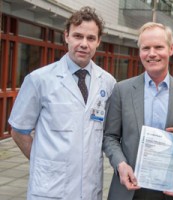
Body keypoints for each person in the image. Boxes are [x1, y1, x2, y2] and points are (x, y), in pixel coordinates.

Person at [8, 6, 116, 200]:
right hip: (50, 189)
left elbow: (110, 133)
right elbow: (18, 131)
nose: (84, 44)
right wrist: (43, 163)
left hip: (89, 189)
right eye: (77, 36)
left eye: (91, 38)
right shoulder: (39, 80)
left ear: (98, 41)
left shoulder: (108, 83)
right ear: (66, 36)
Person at [103, 22, 173, 200]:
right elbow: (110, 136)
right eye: (146, 48)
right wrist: (120, 164)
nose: (152, 54)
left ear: (171, 49)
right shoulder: (122, 90)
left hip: (169, 193)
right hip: (127, 190)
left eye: (158, 47)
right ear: (139, 51)